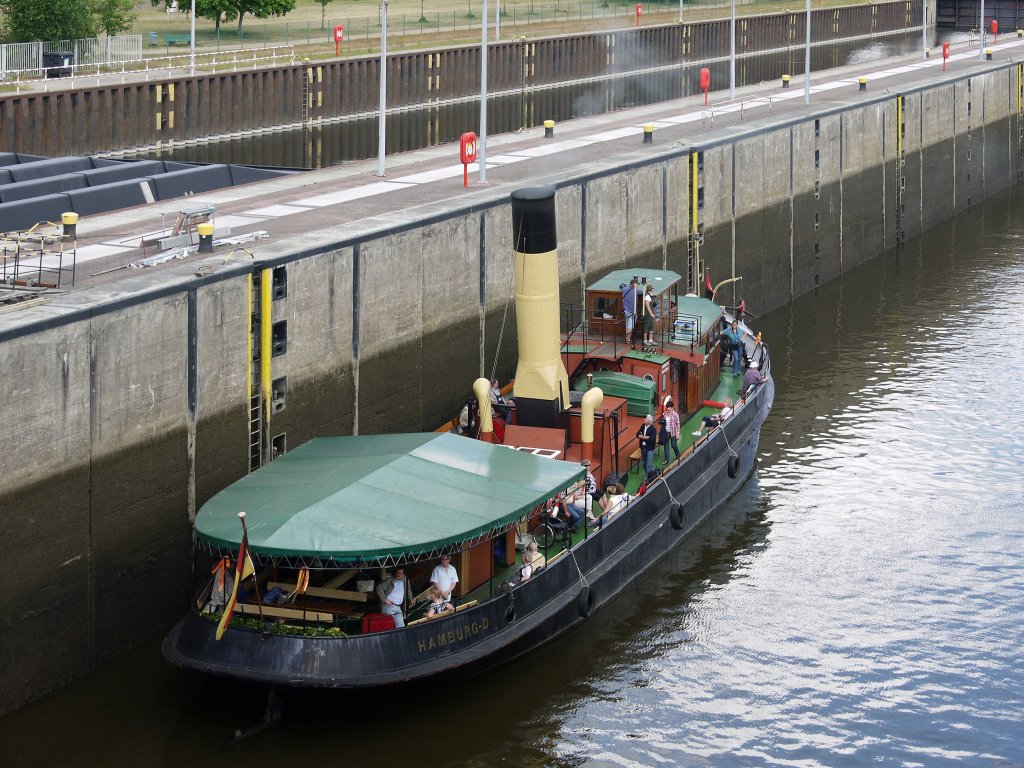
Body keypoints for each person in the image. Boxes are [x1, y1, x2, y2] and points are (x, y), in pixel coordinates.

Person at [620, 279, 637, 346]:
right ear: (634, 285)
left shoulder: (624, 289)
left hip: (625, 311)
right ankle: (628, 339)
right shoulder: (636, 291)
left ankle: (627, 338)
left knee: (627, 325)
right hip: (631, 311)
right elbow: (642, 292)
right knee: (630, 325)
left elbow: (622, 287)